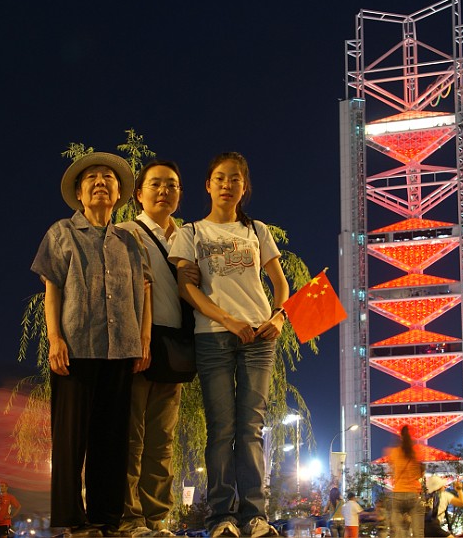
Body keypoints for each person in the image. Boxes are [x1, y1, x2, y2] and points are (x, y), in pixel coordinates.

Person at [31, 152, 152, 537]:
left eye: (108, 178)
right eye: (92, 179)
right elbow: (52, 291)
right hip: (75, 348)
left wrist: (144, 339)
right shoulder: (60, 233)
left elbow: (143, 293)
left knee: (112, 438)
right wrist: (54, 338)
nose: (101, 183)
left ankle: (106, 517)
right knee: (71, 438)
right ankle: (72, 519)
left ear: (119, 193)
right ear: (79, 194)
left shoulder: (131, 240)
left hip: (122, 349)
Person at [170, 152, 289, 538]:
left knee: (251, 427)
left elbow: (280, 282)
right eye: (219, 178)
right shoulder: (190, 233)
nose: (227, 184)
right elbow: (186, 289)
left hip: (259, 337)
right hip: (214, 336)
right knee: (221, 428)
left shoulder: (257, 231)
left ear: (244, 186)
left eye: (235, 178)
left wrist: (279, 315)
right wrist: (226, 319)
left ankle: (255, 515)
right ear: (208, 185)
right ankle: (221, 517)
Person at [117, 160, 199, 538]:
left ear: (180, 194)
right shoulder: (123, 233)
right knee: (129, 436)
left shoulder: (189, 238)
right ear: (138, 193)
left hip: (175, 347)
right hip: (134, 347)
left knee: (162, 439)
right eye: (155, 184)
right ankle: (128, 517)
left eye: (173, 185)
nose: (164, 190)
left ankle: (156, 518)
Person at [385, 426, 424, 538]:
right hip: (414, 494)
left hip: (398, 494)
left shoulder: (394, 452)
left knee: (399, 531)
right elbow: (418, 474)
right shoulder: (416, 452)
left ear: (400, 437)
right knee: (418, 532)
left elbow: (391, 472)